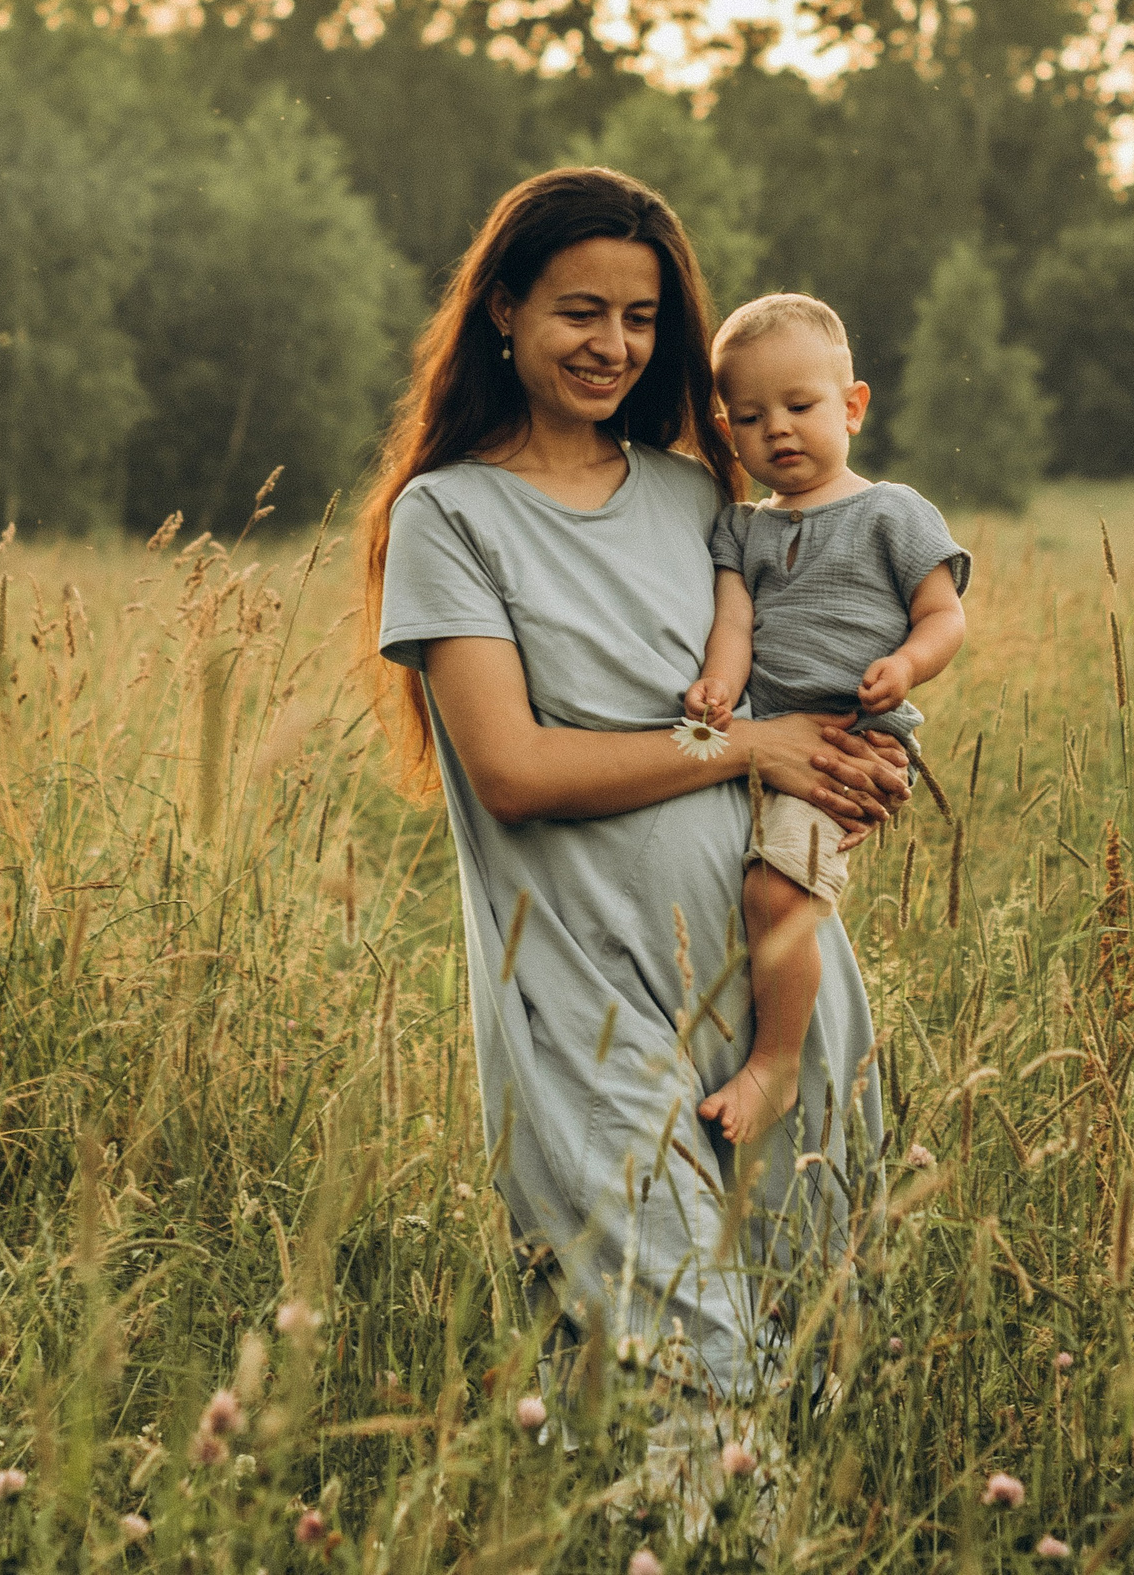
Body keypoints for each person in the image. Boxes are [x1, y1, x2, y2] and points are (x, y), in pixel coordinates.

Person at [361, 168, 905, 1397]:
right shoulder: (448, 517)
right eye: (579, 311)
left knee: (830, 1376)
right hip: (585, 1007)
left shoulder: (702, 490)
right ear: (502, 309)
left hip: (775, 991)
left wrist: (853, 756)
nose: (613, 345)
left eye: (642, 318)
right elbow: (511, 771)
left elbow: (802, 685)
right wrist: (750, 749)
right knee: (686, 1399)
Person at [684, 295, 970, 1144]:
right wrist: (714, 687)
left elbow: (944, 613)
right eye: (750, 416)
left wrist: (907, 664)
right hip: (765, 732)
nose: (778, 430)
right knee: (739, 886)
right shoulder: (741, 527)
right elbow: (734, 625)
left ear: (852, 406)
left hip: (855, 736)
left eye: (801, 407)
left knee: (776, 890)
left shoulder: (892, 511)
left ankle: (775, 1062)